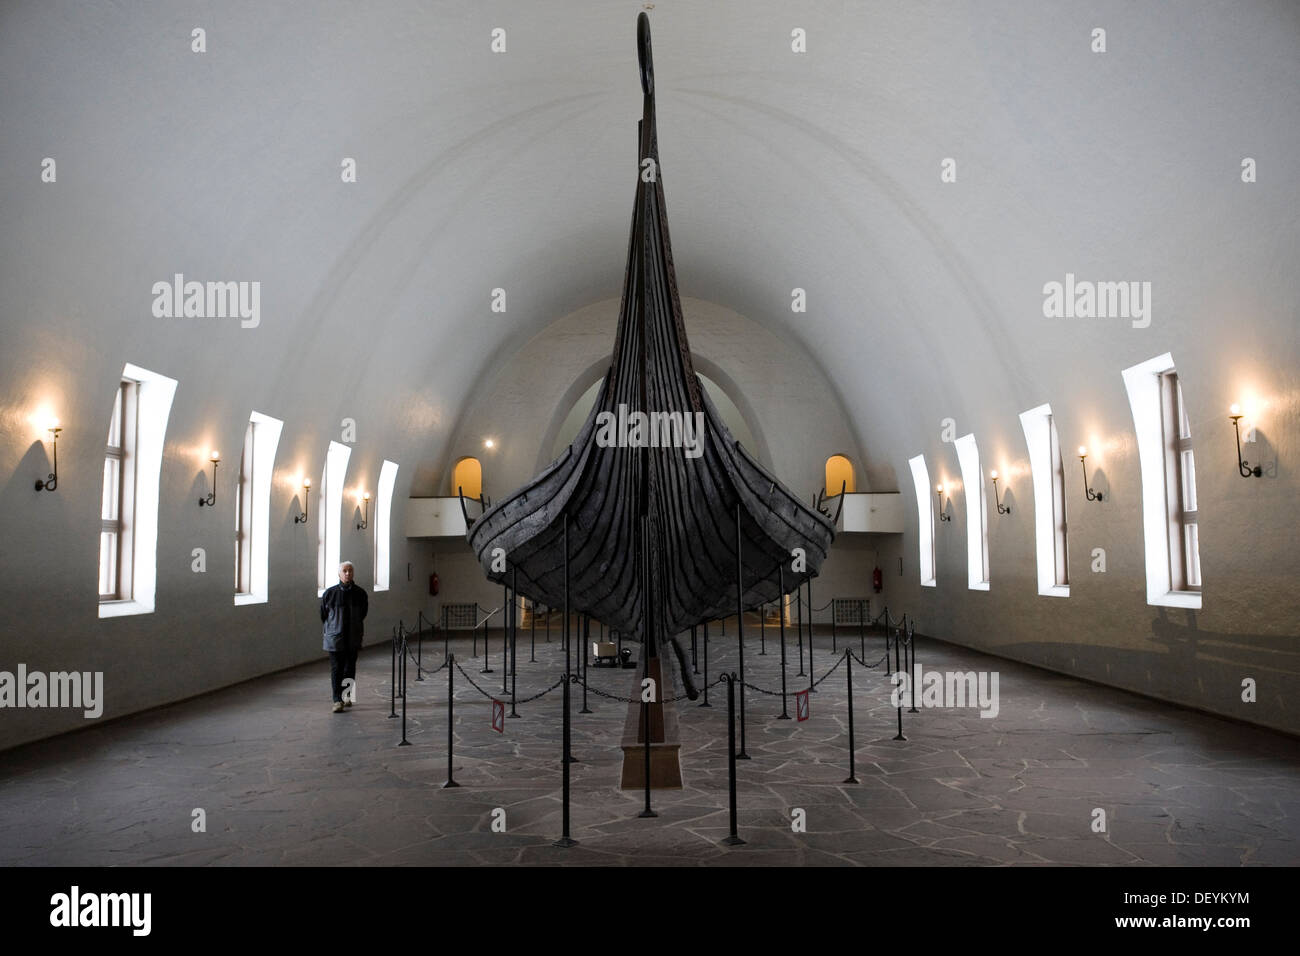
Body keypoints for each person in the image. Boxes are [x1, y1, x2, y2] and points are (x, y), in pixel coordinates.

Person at [321, 561, 367, 713]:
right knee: (336, 669)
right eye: (345, 571)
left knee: (350, 667)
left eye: (350, 571)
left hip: (353, 638)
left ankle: (347, 696)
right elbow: (324, 615)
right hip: (335, 639)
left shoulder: (360, 593)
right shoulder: (329, 593)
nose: (348, 573)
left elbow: (363, 614)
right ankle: (337, 700)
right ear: (339, 573)